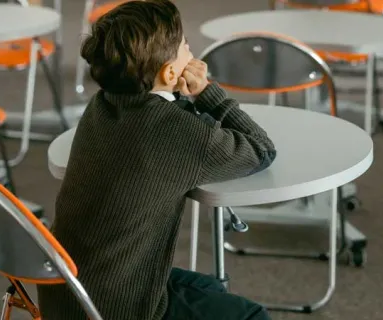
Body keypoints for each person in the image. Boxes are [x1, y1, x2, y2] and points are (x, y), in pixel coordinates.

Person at [37, 1, 276, 319]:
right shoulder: (180, 134)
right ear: (170, 72)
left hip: (66, 290)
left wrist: (179, 93)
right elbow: (261, 150)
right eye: (183, 44)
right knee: (251, 315)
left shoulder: (102, 105)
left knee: (211, 289)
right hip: (117, 307)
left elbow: (160, 120)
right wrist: (206, 92)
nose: (189, 47)